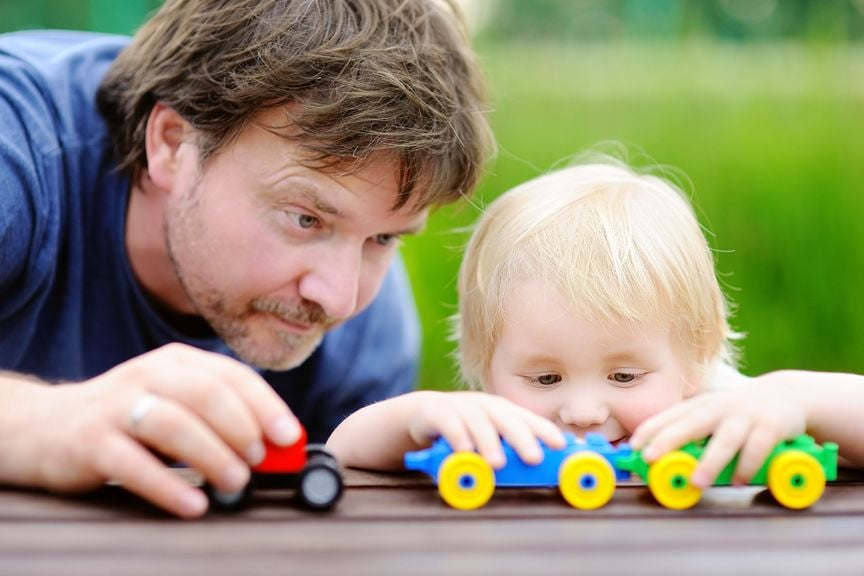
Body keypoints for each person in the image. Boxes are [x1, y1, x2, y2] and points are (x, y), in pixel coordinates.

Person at [0, 0, 493, 518]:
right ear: (172, 143)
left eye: (385, 239)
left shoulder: (372, 337)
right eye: (306, 219)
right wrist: (44, 420)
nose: (340, 300)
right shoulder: (19, 151)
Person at [326, 159, 864, 485]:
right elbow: (342, 451)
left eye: (625, 377)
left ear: (697, 357)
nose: (582, 413)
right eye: (544, 378)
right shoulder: (495, 430)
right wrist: (419, 416)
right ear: (483, 366)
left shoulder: (720, 411)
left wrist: (797, 397)